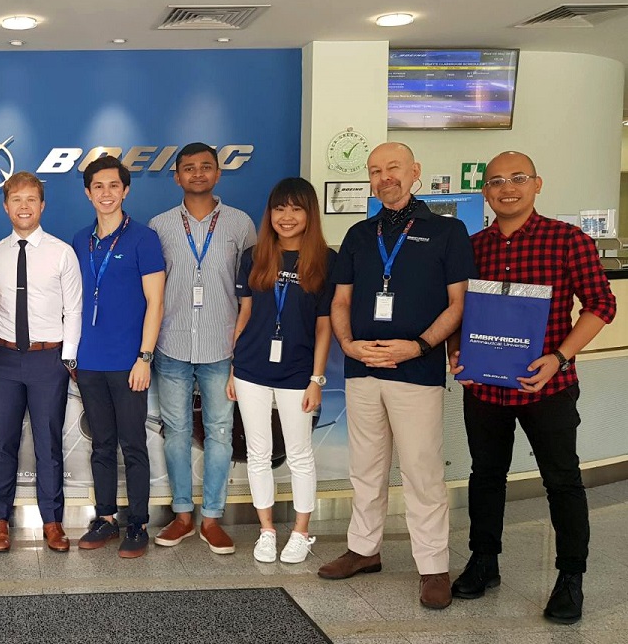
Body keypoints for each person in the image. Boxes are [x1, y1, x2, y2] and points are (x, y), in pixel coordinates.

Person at [448, 151, 615, 624]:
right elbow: (457, 310)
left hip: (549, 387)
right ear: (485, 192)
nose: (507, 188)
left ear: (537, 184)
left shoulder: (568, 241)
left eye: (517, 179)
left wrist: (559, 356)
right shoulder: (473, 246)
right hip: (485, 390)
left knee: (562, 481)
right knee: (485, 476)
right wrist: (454, 350)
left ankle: (570, 577)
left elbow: (601, 305)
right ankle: (484, 561)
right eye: (496, 181)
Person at [317, 142, 475, 610]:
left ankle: (433, 567)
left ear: (415, 172)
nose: (384, 177)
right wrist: (347, 345)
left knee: (422, 471)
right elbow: (340, 301)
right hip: (362, 368)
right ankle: (364, 551)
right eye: (375, 170)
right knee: (365, 469)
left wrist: (421, 345)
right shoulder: (359, 235)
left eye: (393, 168)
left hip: (417, 370)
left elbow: (459, 304)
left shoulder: (447, 230)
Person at [148, 142, 255, 555]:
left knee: (220, 433)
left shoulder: (241, 224)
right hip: (171, 343)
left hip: (221, 346)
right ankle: (182, 515)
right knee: (175, 433)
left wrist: (242, 347)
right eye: (188, 168)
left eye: (205, 167)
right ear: (176, 177)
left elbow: (251, 292)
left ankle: (212, 517)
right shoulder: (158, 226)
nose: (197, 174)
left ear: (217, 173)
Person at [227, 177, 334, 564]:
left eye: (296, 208)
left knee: (300, 455)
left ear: (309, 214)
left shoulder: (326, 261)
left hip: (297, 374)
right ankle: (267, 530)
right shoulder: (254, 256)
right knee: (258, 454)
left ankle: (302, 532)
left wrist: (316, 379)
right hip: (251, 369)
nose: (286, 217)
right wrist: (232, 368)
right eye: (279, 208)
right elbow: (245, 314)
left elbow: (325, 326)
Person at [0, 171, 83, 553]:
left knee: (48, 443)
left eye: (31, 199)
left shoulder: (61, 252)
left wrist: (66, 357)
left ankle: (53, 522)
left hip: (47, 360)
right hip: (3, 359)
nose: (24, 206)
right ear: (6, 206)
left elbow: (74, 308)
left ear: (42, 205)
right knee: (3, 444)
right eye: (16, 200)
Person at [71, 155, 166, 558]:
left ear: (125, 191)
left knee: (134, 445)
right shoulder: (79, 241)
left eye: (114, 186)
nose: (106, 193)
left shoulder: (143, 239)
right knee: (101, 445)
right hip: (89, 362)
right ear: (87, 193)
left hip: (130, 364)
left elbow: (156, 302)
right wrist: (71, 357)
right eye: (98, 186)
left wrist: (144, 357)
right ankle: (106, 518)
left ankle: (138, 524)